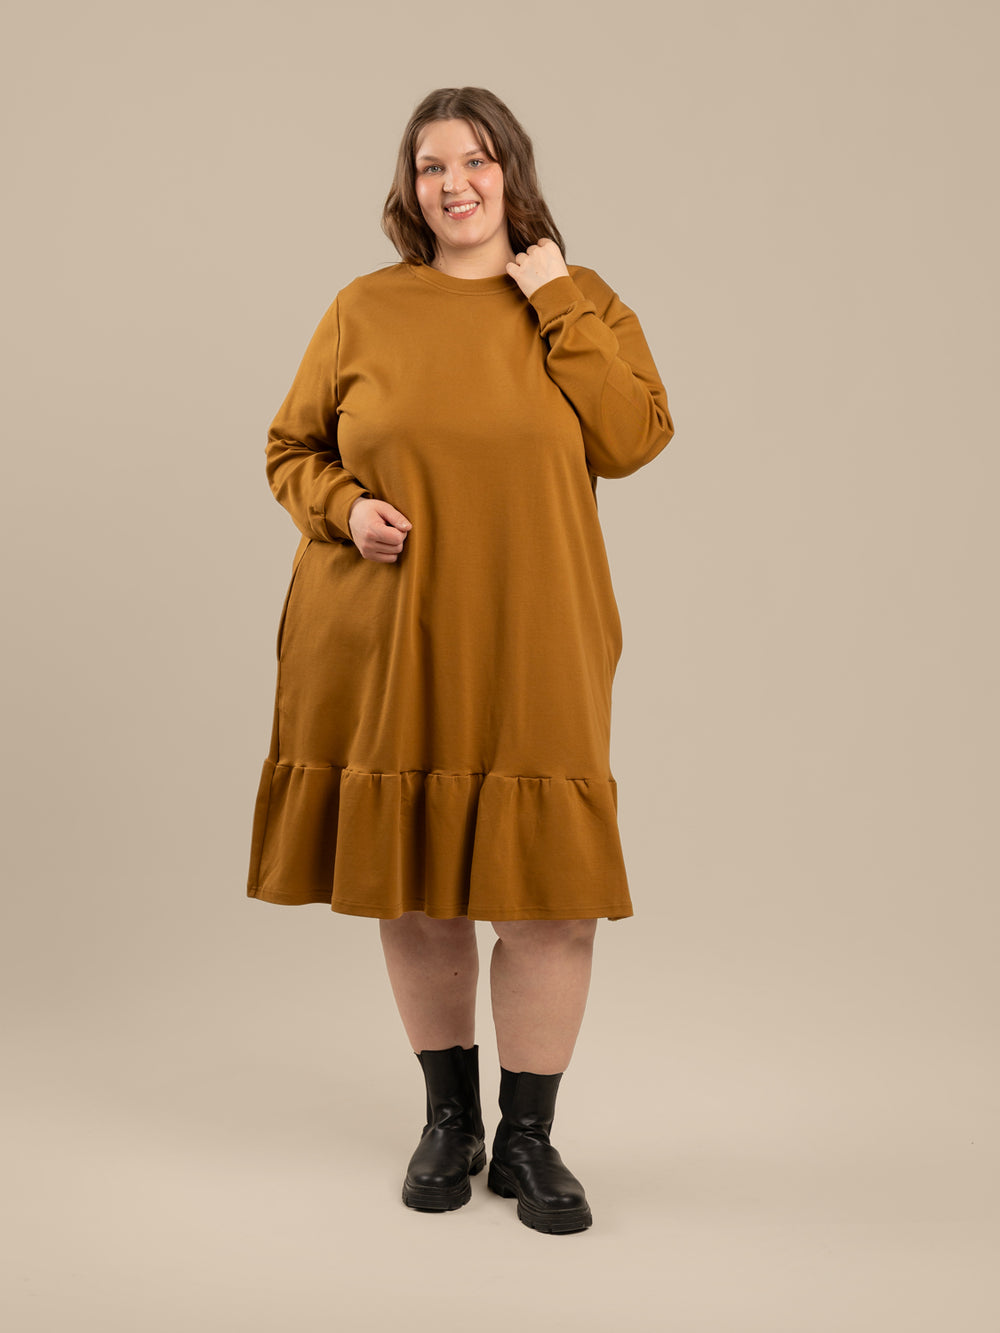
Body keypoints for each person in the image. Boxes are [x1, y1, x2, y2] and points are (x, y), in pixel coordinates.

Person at [246, 86, 674, 1235]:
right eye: (431, 166)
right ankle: (451, 1121)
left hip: (538, 632)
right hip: (391, 631)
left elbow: (632, 437)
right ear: (410, 188)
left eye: (476, 160)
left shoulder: (583, 302)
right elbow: (290, 448)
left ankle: (529, 1138)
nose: (455, 184)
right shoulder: (364, 308)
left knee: (553, 898)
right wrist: (344, 508)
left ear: (511, 173)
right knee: (419, 882)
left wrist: (556, 296)